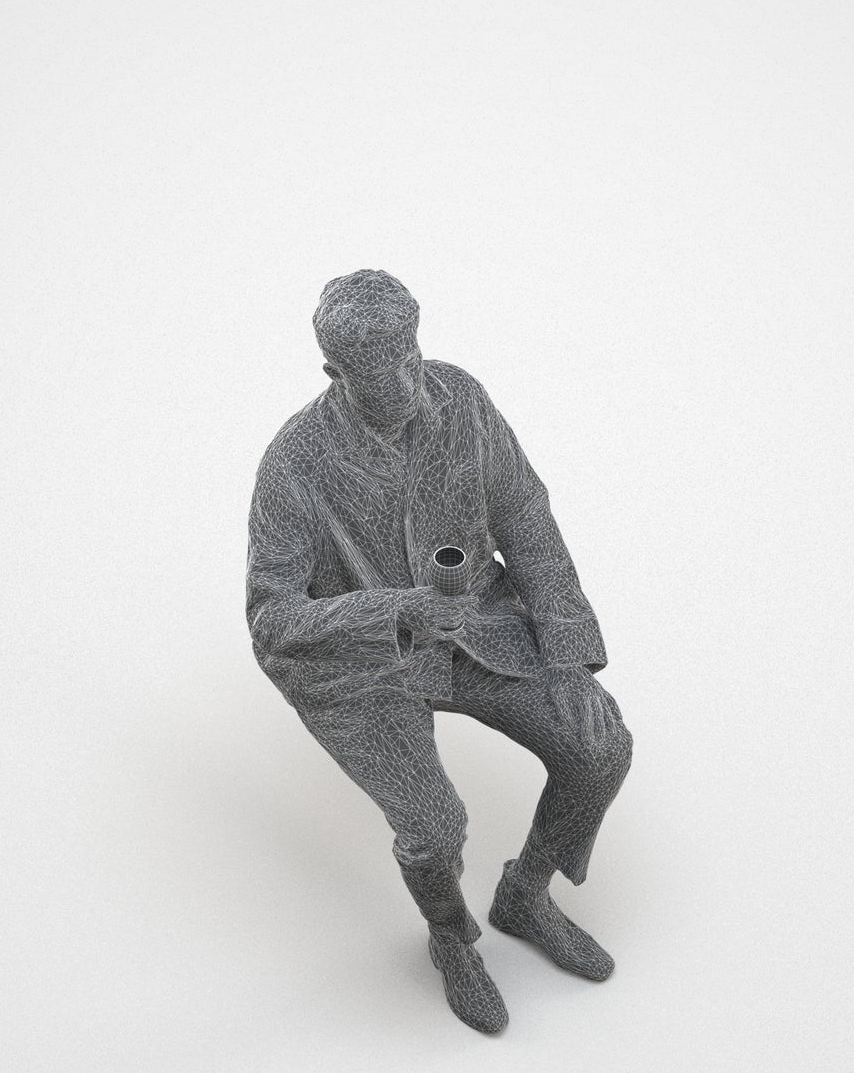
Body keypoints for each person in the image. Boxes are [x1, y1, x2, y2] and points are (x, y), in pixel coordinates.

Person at [245, 268, 633, 1033]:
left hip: (475, 625)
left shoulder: (462, 399)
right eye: (381, 373)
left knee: (601, 746)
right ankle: (452, 937)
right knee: (434, 824)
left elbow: (526, 518)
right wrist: (394, 609)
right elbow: (272, 617)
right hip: (363, 665)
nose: (407, 383)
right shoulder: (293, 464)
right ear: (334, 372)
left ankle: (526, 893)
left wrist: (567, 656)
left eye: (411, 356)